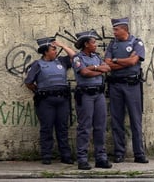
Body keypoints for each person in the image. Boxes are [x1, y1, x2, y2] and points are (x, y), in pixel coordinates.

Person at [104, 17, 149, 164]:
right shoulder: (112, 44)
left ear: (124, 29)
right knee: (117, 120)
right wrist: (123, 62)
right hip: (115, 86)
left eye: (116, 29)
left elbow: (133, 61)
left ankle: (139, 153)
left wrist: (116, 61)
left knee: (136, 120)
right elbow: (107, 64)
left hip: (132, 85)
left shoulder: (137, 42)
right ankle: (119, 153)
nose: (114, 32)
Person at [25, 37, 75, 165]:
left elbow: (74, 56)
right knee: (46, 128)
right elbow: (29, 82)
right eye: (53, 49)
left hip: (62, 100)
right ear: (46, 52)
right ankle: (46, 155)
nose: (55, 51)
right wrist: (39, 91)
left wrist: (62, 45)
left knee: (62, 128)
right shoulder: (38, 64)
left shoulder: (62, 61)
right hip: (46, 101)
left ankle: (66, 155)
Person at [72, 30, 112, 170]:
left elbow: (107, 67)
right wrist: (97, 70)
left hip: (99, 94)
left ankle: (101, 157)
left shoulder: (96, 57)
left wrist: (94, 67)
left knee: (100, 127)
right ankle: (82, 159)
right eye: (93, 42)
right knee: (84, 127)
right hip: (85, 95)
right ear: (86, 44)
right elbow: (84, 72)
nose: (96, 44)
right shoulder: (78, 58)